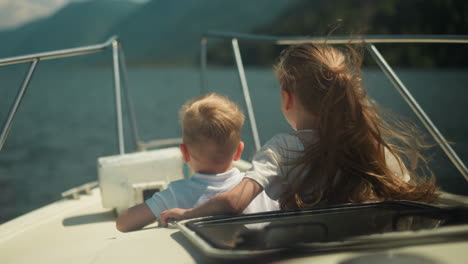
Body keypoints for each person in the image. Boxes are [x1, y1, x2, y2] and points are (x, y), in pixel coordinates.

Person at [159, 43, 438, 226]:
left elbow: (234, 202)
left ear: (287, 99)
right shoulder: (374, 147)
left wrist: (188, 214)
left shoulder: (283, 148)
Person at [116, 93, 279, 232]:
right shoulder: (256, 188)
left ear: (184, 153)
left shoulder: (175, 194)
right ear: (238, 151)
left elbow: (123, 223)